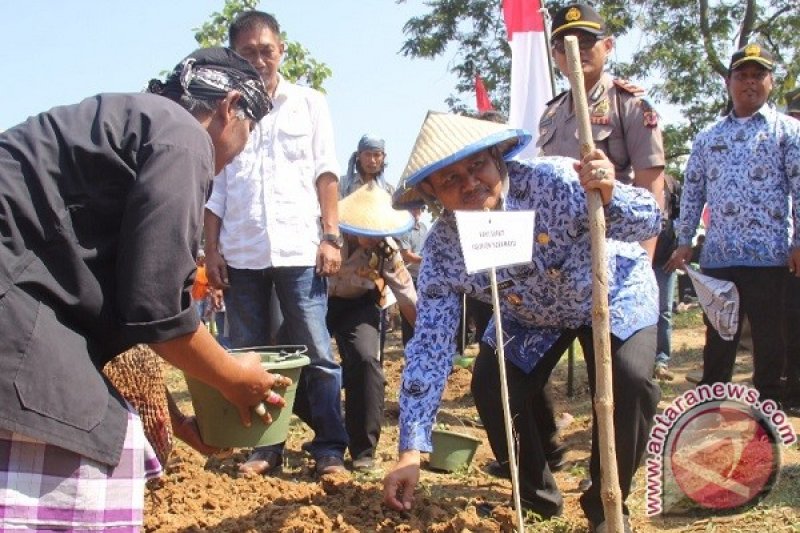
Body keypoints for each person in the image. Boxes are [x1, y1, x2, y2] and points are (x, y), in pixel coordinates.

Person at [0, 47, 286, 531]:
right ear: (230, 106)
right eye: (250, 129)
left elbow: (126, 305)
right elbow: (157, 311)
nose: (241, 150)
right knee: (99, 447)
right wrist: (236, 380)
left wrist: (176, 420)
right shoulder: (181, 137)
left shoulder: (130, 122)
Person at [384, 112, 661, 532]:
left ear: (497, 157)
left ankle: (608, 500)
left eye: (476, 165)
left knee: (632, 378)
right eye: (449, 180)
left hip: (611, 291)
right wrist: (410, 451)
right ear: (432, 193)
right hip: (530, 317)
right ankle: (535, 495)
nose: (469, 184)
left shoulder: (556, 180)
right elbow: (430, 345)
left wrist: (608, 192)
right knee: (492, 385)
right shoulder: (443, 249)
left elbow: (650, 219)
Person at [204, 10, 349, 477]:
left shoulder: (309, 103)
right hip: (242, 251)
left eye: (267, 49)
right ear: (234, 58)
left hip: (300, 250)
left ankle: (329, 448)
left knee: (318, 354)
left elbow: (326, 173)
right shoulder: (228, 111)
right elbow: (217, 188)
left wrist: (330, 235)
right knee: (250, 358)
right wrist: (211, 251)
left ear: (281, 50)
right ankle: (264, 447)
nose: (260, 59)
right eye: (249, 52)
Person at [666, 44, 800, 406]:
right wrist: (684, 240)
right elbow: (693, 190)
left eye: (759, 75)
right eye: (742, 75)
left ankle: (770, 403)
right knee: (719, 334)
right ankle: (712, 400)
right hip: (720, 255)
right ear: (728, 82)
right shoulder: (709, 136)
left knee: (770, 336)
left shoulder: (787, 132)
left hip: (771, 256)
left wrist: (799, 241)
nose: (750, 83)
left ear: (771, 81)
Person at [537, 3, 665, 234]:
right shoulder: (550, 115)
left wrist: (643, 263)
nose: (576, 50)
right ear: (555, 55)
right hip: (563, 248)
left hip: (615, 241)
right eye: (563, 45)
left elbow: (652, 191)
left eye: (586, 41)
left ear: (607, 46)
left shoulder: (630, 105)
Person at [328, 183, 417, 471]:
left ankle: (363, 451)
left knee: (366, 361)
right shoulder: (327, 237)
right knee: (306, 363)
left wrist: (424, 342)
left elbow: (408, 298)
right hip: (317, 302)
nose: (371, 237)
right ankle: (326, 435)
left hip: (358, 306)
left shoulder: (387, 249)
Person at [653, 175, 682, 381]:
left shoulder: (672, 185)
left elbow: (683, 217)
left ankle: (661, 362)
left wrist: (679, 250)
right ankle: (641, 363)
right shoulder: (630, 179)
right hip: (640, 258)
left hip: (666, 259)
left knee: (664, 311)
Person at [398, 205, 428, 345]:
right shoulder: (404, 229)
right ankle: (409, 350)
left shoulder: (423, 228)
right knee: (408, 314)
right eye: (414, 208)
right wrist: (427, 260)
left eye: (419, 208)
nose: (416, 211)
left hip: (423, 278)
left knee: (423, 314)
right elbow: (407, 255)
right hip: (408, 279)